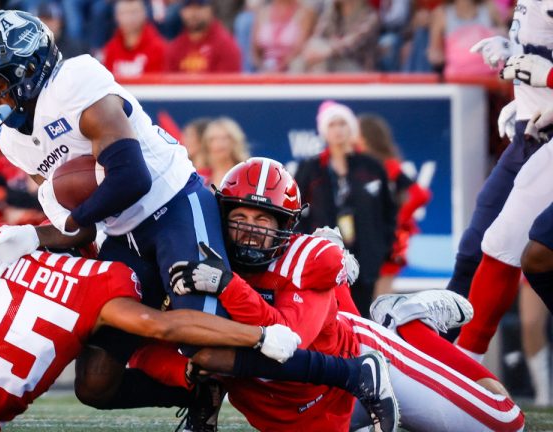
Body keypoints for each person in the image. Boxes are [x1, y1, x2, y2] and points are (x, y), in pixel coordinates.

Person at [0, 8, 244, 421]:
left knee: (199, 328)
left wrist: (68, 225)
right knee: (96, 384)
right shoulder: (13, 138)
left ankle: (268, 371)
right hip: (120, 232)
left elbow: (133, 177)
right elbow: (75, 223)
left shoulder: (75, 81)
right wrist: (34, 237)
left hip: (172, 204)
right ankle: (195, 391)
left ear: (28, 71)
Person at [167, 157, 525, 432]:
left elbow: (285, 340)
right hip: (299, 409)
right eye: (239, 217)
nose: (248, 230)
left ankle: (407, 326)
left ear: (286, 225)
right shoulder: (208, 261)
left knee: (504, 421)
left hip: (365, 362)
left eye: (262, 221)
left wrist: (228, 286)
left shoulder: (303, 258)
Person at [0, 223, 301, 432]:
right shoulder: (103, 284)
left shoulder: (6, 242)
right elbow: (163, 327)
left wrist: (33, 234)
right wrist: (259, 335)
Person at [439, 0, 552, 355]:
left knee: (523, 251)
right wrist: (525, 94)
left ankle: (458, 364)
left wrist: (546, 78)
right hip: (530, 135)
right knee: (481, 245)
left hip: (546, 136)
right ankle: (448, 360)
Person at [294, 101, 397, 318]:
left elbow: (388, 211)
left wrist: (381, 249)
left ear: (351, 128)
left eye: (343, 123)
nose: (338, 130)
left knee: (360, 315)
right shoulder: (310, 169)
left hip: (365, 257)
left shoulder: (371, 166)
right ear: (324, 131)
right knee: (327, 315)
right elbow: (296, 211)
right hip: (323, 256)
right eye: (332, 124)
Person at [357, 114, 432, 298]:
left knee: (382, 294)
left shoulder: (388, 165)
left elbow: (419, 195)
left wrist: (397, 220)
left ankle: (381, 326)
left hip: (389, 241)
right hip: (371, 240)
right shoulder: (361, 165)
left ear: (366, 137)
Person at [166, 0, 242, 73]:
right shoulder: (175, 47)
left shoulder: (226, 46)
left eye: (199, 7)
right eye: (188, 7)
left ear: (211, 10)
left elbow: (227, 84)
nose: (193, 13)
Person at [102, 0, 167, 77]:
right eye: (124, 13)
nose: (129, 18)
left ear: (144, 14)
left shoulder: (158, 47)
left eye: (134, 12)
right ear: (117, 17)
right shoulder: (110, 49)